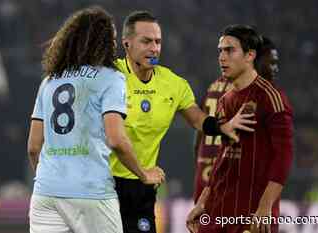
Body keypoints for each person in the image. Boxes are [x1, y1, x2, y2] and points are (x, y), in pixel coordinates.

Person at [109, 11, 256, 233]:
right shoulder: (109, 74)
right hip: (103, 184)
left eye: (158, 42)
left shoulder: (173, 84)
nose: (154, 48)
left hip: (142, 187)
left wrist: (221, 126)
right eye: (146, 41)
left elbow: (197, 119)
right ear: (126, 43)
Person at [27, 6, 165, 233]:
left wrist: (51, 180)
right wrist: (143, 174)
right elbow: (116, 139)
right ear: (103, 43)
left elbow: (33, 146)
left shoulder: (50, 81)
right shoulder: (110, 79)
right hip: (92, 193)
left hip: (45, 194)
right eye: (110, 38)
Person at [186, 25, 293, 233]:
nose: (222, 57)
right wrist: (203, 201)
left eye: (230, 50)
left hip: (250, 215)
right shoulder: (225, 100)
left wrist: (265, 206)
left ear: (250, 55)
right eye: (220, 50)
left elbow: (283, 157)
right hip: (218, 211)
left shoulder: (271, 98)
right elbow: (222, 156)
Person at [192, 36, 280, 203]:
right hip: (227, 183)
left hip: (203, 179)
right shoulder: (244, 90)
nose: (274, 68)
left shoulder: (214, 85)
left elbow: (199, 136)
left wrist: (202, 169)